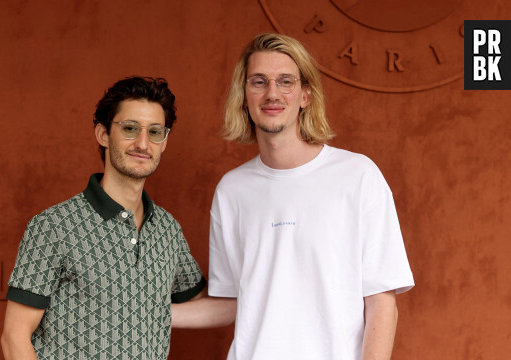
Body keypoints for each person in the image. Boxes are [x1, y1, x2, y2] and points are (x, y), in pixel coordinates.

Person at [173, 33, 415, 360]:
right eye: (258, 81)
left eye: (285, 81)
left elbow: (382, 302)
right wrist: (143, 314)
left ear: (304, 95)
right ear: (244, 96)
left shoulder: (358, 176)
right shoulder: (231, 190)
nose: (272, 93)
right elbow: (232, 301)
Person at [1, 76, 206, 360]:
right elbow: (14, 337)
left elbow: (199, 306)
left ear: (164, 141)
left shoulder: (167, 229)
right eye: (130, 128)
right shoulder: (53, 226)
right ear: (103, 134)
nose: (143, 143)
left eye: (155, 132)